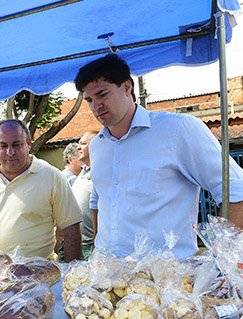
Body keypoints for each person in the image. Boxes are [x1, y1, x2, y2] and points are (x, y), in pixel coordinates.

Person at [74, 53, 243, 259]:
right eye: (89, 99)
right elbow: (98, 201)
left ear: (127, 87)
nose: (95, 106)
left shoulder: (177, 130)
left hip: (167, 279)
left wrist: (223, 262)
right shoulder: (98, 145)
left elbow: (235, 189)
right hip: (108, 276)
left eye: (102, 94)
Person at [0, 119, 82, 261]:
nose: (10, 152)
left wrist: (71, 272)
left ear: (28, 144)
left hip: (36, 276)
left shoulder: (53, 177)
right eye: (3, 146)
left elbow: (71, 227)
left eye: (16, 145)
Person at [71, 131, 98, 260]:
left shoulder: (99, 172)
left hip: (91, 246)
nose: (78, 148)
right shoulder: (82, 172)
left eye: (83, 144)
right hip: (77, 243)